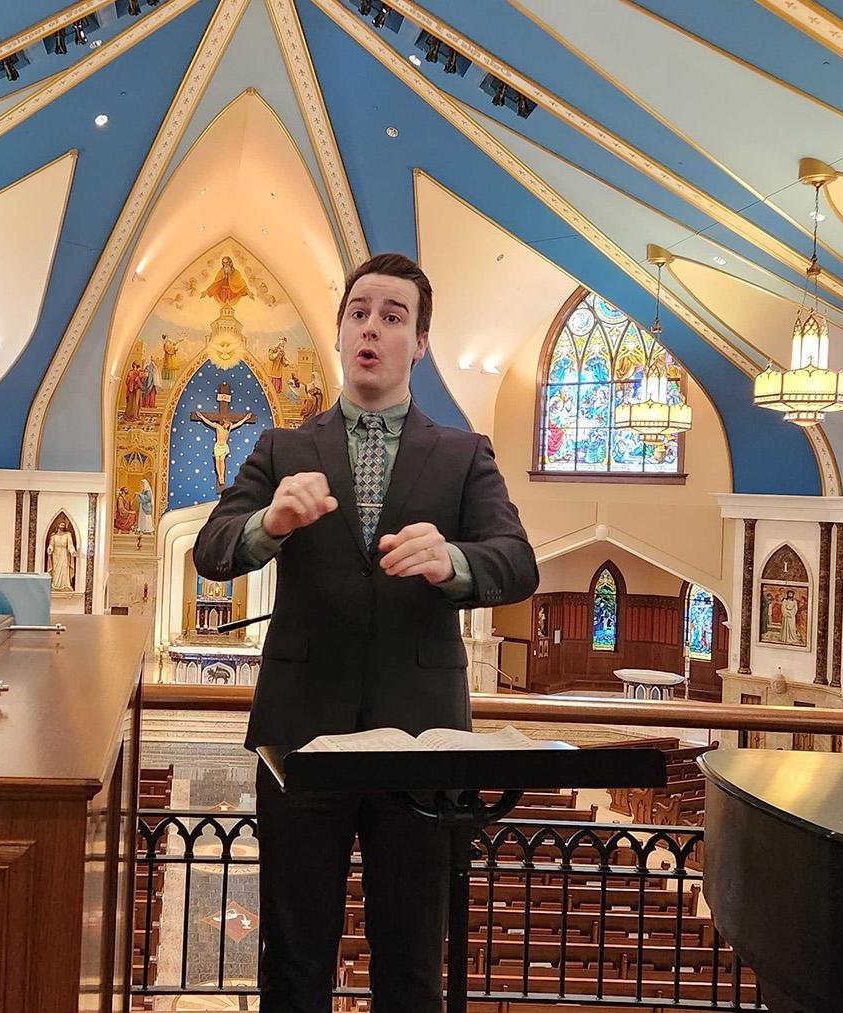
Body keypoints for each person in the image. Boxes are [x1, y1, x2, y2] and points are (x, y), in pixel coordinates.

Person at [195, 253, 536, 1011]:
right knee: (293, 958)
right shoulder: (283, 448)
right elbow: (211, 549)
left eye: (392, 315)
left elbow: (517, 562)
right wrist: (267, 522)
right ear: (341, 330)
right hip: (301, 739)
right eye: (358, 312)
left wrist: (453, 559)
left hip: (421, 747)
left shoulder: (462, 454)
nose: (371, 327)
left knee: (412, 965)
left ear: (420, 342)